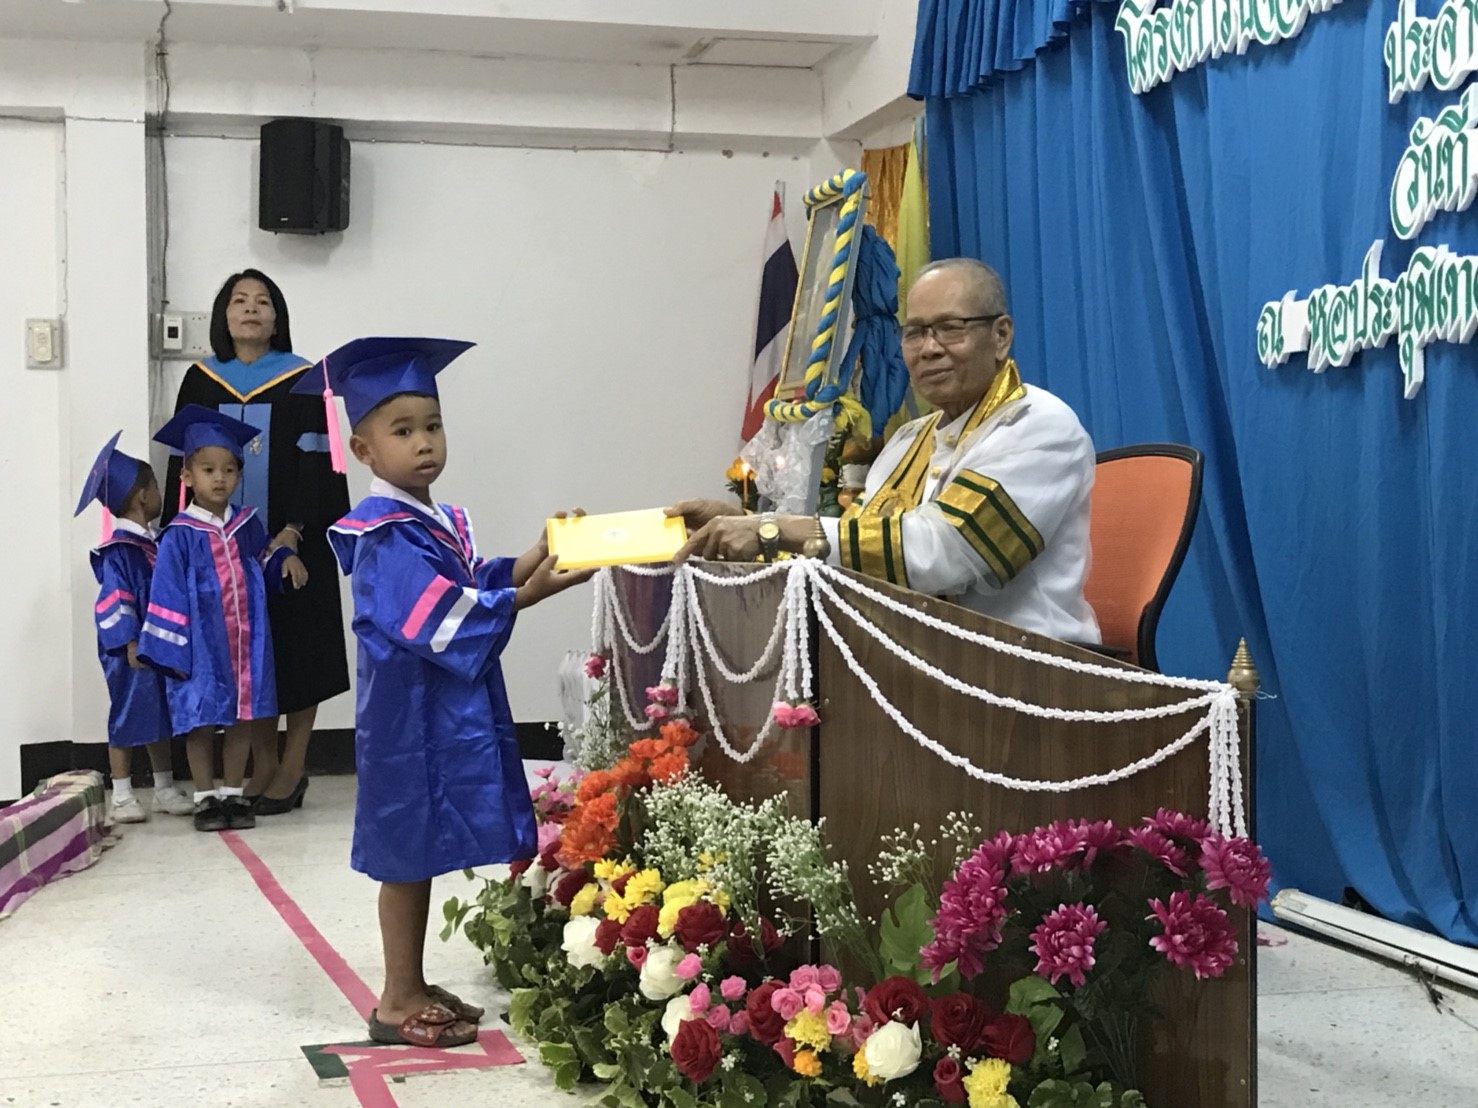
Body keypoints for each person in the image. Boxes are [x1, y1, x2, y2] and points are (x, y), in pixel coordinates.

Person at [308, 337, 593, 1048]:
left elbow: (470, 580)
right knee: (406, 854)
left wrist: (533, 557)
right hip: (405, 721)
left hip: (432, 713)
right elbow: (436, 613)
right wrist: (528, 593)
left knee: (423, 847)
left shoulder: (429, 518)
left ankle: (412, 981)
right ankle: (395, 999)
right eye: (402, 430)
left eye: (432, 425)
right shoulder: (381, 533)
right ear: (363, 450)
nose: (424, 442)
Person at [672, 258, 1100, 645]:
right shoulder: (909, 440)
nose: (929, 348)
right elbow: (856, 548)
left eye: (951, 327)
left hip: (1033, 668)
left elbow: (946, 552)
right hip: (919, 659)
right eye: (914, 332)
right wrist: (743, 525)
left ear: (1001, 335)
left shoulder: (1037, 425)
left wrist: (773, 529)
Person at [163, 269, 350, 814]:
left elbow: (319, 465)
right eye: (239, 301)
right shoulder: (201, 381)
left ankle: (292, 766)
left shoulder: (304, 378)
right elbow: (182, 468)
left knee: (300, 649)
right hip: (223, 552)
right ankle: (262, 763)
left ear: (277, 317)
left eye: (263, 301)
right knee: (250, 656)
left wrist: (293, 529)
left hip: (295, 541)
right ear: (224, 317)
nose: (251, 309)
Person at [141, 406, 304, 832]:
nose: (219, 478)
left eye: (229, 470)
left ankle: (233, 793)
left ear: (239, 475)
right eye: (209, 469)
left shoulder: (246, 524)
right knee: (200, 720)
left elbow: (262, 558)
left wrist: (282, 559)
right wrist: (170, 650)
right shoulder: (179, 534)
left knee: (241, 718)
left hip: (245, 644)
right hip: (200, 646)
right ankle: (205, 797)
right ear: (187, 476)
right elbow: (165, 592)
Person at [74, 434, 196, 823]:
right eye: (156, 486)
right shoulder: (119, 550)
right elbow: (115, 599)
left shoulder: (155, 544)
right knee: (126, 713)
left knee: (159, 711)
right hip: (128, 650)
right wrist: (127, 642)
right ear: (143, 496)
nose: (161, 493)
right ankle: (123, 793)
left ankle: (164, 788)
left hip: (155, 644)